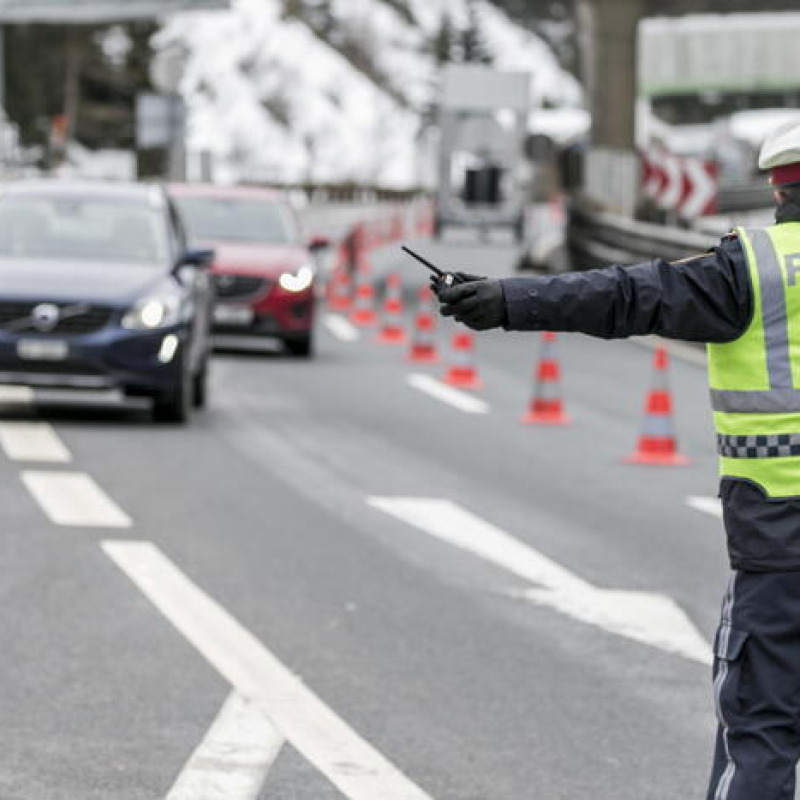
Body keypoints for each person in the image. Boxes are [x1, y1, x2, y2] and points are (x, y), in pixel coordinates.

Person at [435, 121, 800, 800]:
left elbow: (630, 295)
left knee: (762, 734)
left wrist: (508, 300)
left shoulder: (756, 267)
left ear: (779, 186)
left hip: (781, 549)